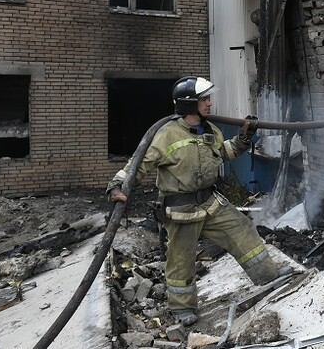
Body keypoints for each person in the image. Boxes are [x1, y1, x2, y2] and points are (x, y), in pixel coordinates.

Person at [107, 76, 287, 326]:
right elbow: (139, 163)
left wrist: (243, 139)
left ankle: (268, 275)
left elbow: (222, 153)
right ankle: (182, 308)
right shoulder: (165, 134)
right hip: (181, 208)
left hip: (210, 201)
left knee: (243, 229)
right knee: (181, 259)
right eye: (204, 99)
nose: (210, 103)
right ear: (189, 104)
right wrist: (117, 185)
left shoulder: (210, 129)